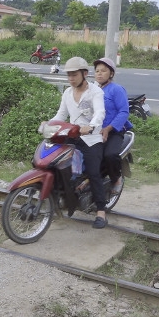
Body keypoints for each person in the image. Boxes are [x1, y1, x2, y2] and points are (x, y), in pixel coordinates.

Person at [50, 57, 108, 229]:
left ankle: (101, 212)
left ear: (84, 74)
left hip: (91, 138)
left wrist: (90, 127)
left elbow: (100, 112)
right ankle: (63, 197)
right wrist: (49, 124)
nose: (71, 78)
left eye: (74, 75)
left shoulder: (95, 92)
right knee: (56, 163)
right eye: (69, 75)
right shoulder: (67, 93)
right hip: (72, 136)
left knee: (93, 171)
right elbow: (60, 115)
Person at [93, 57, 133, 196]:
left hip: (114, 131)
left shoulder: (116, 89)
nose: (99, 73)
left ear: (111, 73)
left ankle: (116, 179)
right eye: (97, 71)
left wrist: (109, 128)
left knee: (110, 155)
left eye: (103, 71)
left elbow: (124, 112)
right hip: (95, 131)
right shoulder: (92, 89)